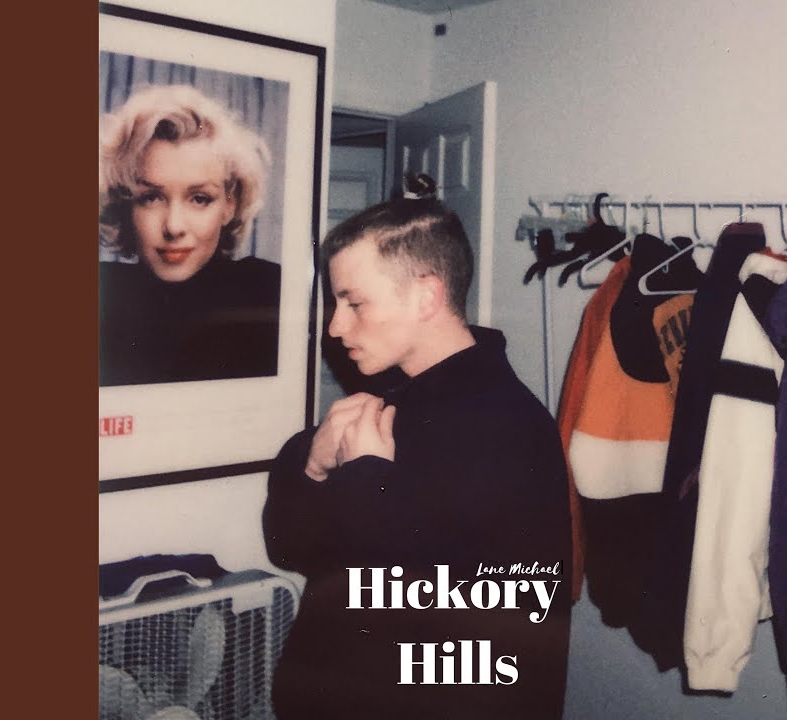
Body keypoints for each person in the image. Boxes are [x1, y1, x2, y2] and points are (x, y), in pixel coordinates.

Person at [263, 175, 574, 719]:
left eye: (354, 303)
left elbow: (488, 642)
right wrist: (311, 464)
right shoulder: (386, 403)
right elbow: (290, 549)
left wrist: (367, 481)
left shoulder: (507, 428)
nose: (335, 327)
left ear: (427, 296)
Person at [97, 84, 280, 386]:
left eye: (199, 199)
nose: (174, 226)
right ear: (125, 203)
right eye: (151, 198)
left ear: (230, 204)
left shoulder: (271, 290)